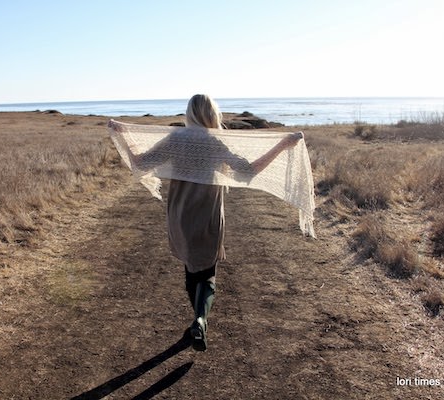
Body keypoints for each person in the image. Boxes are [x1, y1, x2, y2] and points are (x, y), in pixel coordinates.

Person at [110, 94, 303, 351]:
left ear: (189, 114)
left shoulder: (175, 139)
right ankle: (200, 319)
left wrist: (123, 134)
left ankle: (198, 320)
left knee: (192, 271)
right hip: (208, 216)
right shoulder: (215, 142)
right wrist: (282, 145)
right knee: (207, 273)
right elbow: (247, 172)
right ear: (213, 114)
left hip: (180, 216)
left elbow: (140, 163)